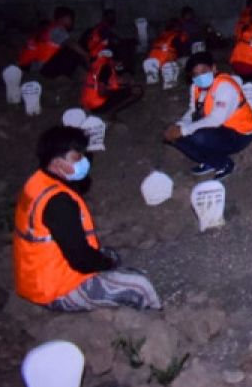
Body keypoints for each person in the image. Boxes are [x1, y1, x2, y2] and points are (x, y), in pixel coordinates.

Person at [14, 126, 161, 312]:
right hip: (58, 290)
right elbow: (81, 260)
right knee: (140, 285)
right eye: (76, 158)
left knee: (110, 257)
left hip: (37, 278)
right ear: (58, 163)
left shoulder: (38, 183)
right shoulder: (58, 203)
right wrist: (107, 264)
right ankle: (156, 317)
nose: (83, 161)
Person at [163, 52, 252, 180]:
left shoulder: (225, 86)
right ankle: (211, 161)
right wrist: (179, 125)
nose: (200, 76)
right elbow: (192, 111)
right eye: (195, 74)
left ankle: (224, 164)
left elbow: (216, 119)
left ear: (213, 69)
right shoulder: (196, 87)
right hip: (221, 128)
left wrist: (184, 130)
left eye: (203, 71)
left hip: (240, 133)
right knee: (174, 137)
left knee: (197, 137)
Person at [18, 6, 89, 78]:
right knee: (74, 51)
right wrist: (86, 54)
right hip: (38, 68)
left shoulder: (49, 27)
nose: (72, 21)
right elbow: (70, 43)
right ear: (63, 18)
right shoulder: (57, 29)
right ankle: (66, 76)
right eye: (71, 18)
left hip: (28, 65)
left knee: (71, 50)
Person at [80, 49, 143, 115]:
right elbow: (102, 92)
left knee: (127, 87)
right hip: (97, 105)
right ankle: (112, 112)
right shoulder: (106, 70)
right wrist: (119, 90)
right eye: (121, 63)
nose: (121, 65)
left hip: (87, 101)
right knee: (137, 90)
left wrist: (122, 84)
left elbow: (108, 82)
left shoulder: (100, 64)